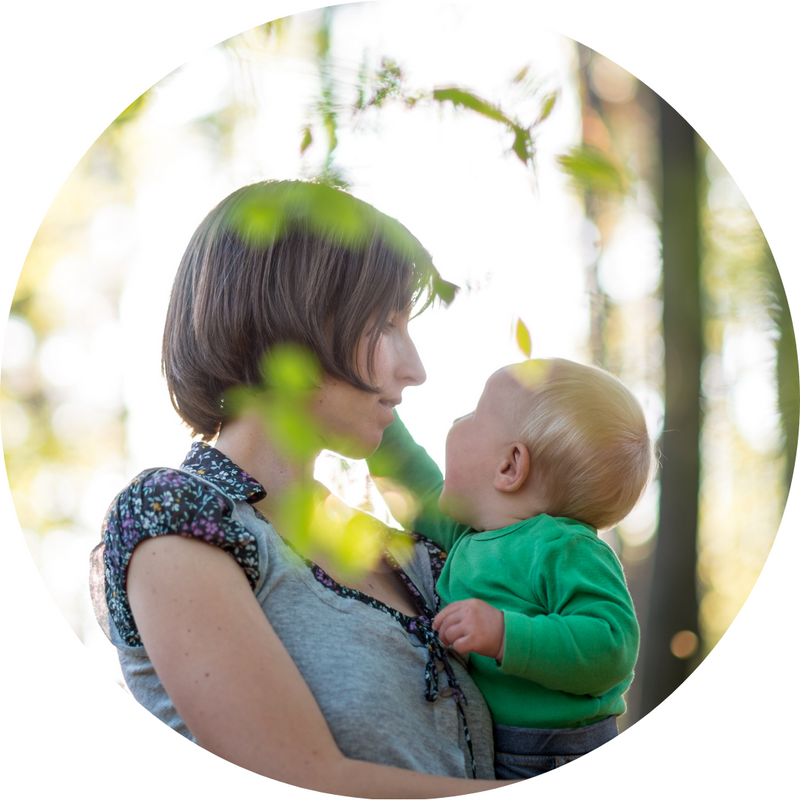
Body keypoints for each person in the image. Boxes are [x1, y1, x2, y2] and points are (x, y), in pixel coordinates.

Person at [89, 180, 508, 796]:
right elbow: (301, 779)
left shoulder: (405, 551)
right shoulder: (173, 514)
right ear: (291, 320)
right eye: (386, 324)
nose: (415, 369)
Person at [367, 358, 654, 779]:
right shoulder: (468, 535)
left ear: (509, 466)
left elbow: (612, 645)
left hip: (561, 753)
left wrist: (505, 634)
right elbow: (411, 478)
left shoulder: (564, 548)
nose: (456, 420)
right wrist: (376, 411)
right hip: (491, 747)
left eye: (474, 415)